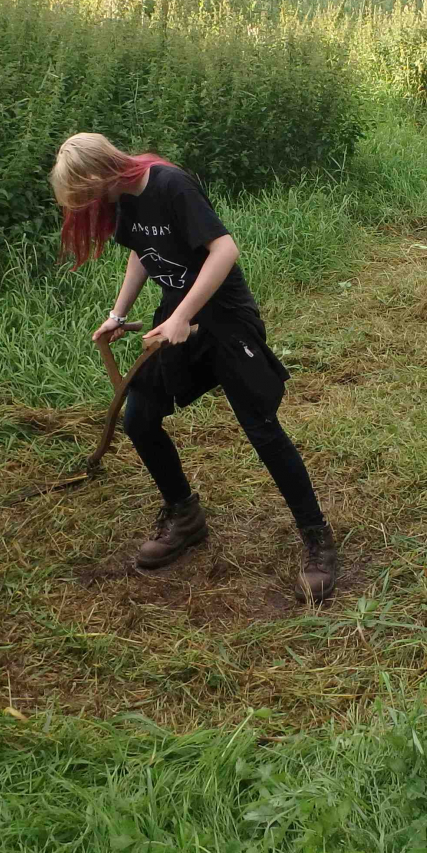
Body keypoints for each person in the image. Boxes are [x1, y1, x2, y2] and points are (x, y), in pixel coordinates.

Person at [49, 132, 339, 602]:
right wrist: (118, 315)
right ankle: (184, 515)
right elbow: (142, 254)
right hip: (176, 321)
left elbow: (224, 250)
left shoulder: (169, 184)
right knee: (139, 416)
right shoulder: (123, 197)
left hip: (226, 321)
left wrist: (185, 315)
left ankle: (317, 537)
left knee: (261, 428)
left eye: (83, 194)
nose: (84, 206)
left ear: (100, 173)